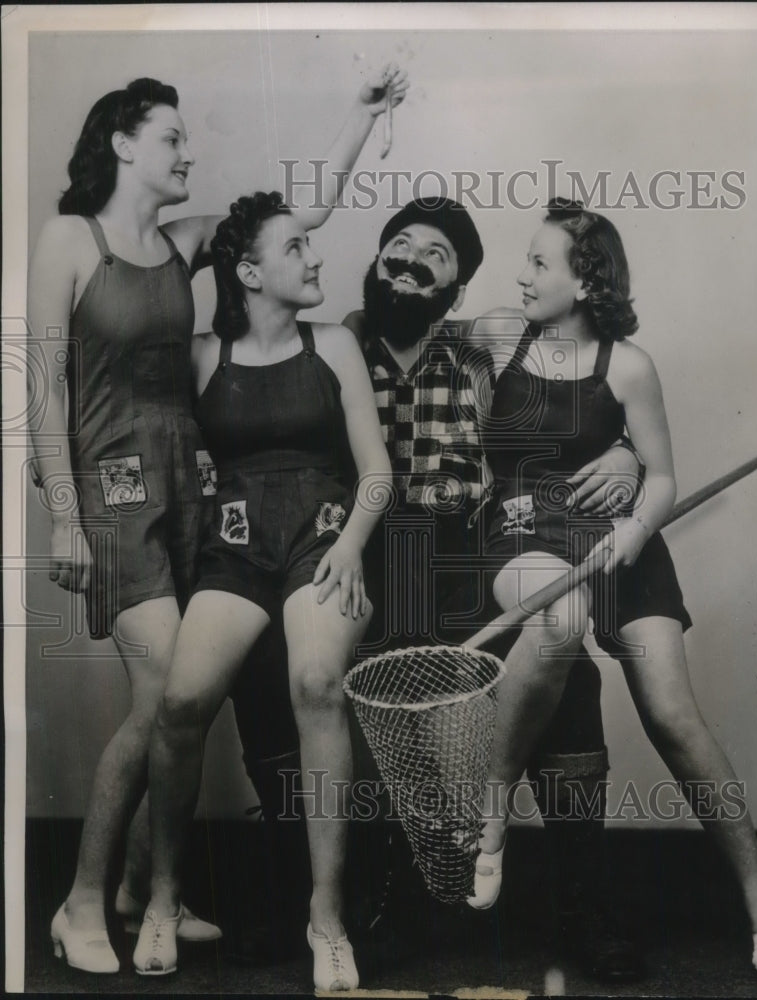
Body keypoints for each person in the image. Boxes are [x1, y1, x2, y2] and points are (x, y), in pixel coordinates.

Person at [28, 69, 406, 974]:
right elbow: (42, 386)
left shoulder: (184, 240)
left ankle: (134, 891)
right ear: (123, 143)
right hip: (110, 488)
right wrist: (64, 519)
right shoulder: (68, 240)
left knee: (178, 699)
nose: (188, 151)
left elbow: (297, 219)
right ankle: (83, 900)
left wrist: (357, 115)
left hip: (188, 491)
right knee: (166, 693)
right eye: (171, 138)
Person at [229, 196, 645, 982]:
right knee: (270, 672)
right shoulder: (330, 341)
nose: (409, 259)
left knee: (569, 669)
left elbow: (581, 379)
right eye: (399, 244)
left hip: (460, 549)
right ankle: (314, 900)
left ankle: (582, 908)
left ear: (455, 290)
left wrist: (623, 447)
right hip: (356, 549)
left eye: (435, 255)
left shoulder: (480, 342)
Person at [469, 198, 757, 977]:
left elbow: (663, 477)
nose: (521, 274)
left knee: (672, 715)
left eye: (540, 263)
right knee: (556, 626)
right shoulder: (494, 334)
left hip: (622, 542)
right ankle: (490, 812)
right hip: (525, 530)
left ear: (585, 282)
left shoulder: (628, 365)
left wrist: (634, 524)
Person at [133, 191, 393, 990]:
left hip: (321, 540)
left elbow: (377, 469)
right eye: (295, 249)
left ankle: (326, 918)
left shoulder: (335, 346)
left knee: (316, 683)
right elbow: (133, 420)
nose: (315, 258)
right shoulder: (205, 355)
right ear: (247, 271)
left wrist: (350, 543)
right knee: (180, 704)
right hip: (236, 551)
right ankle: (163, 899)